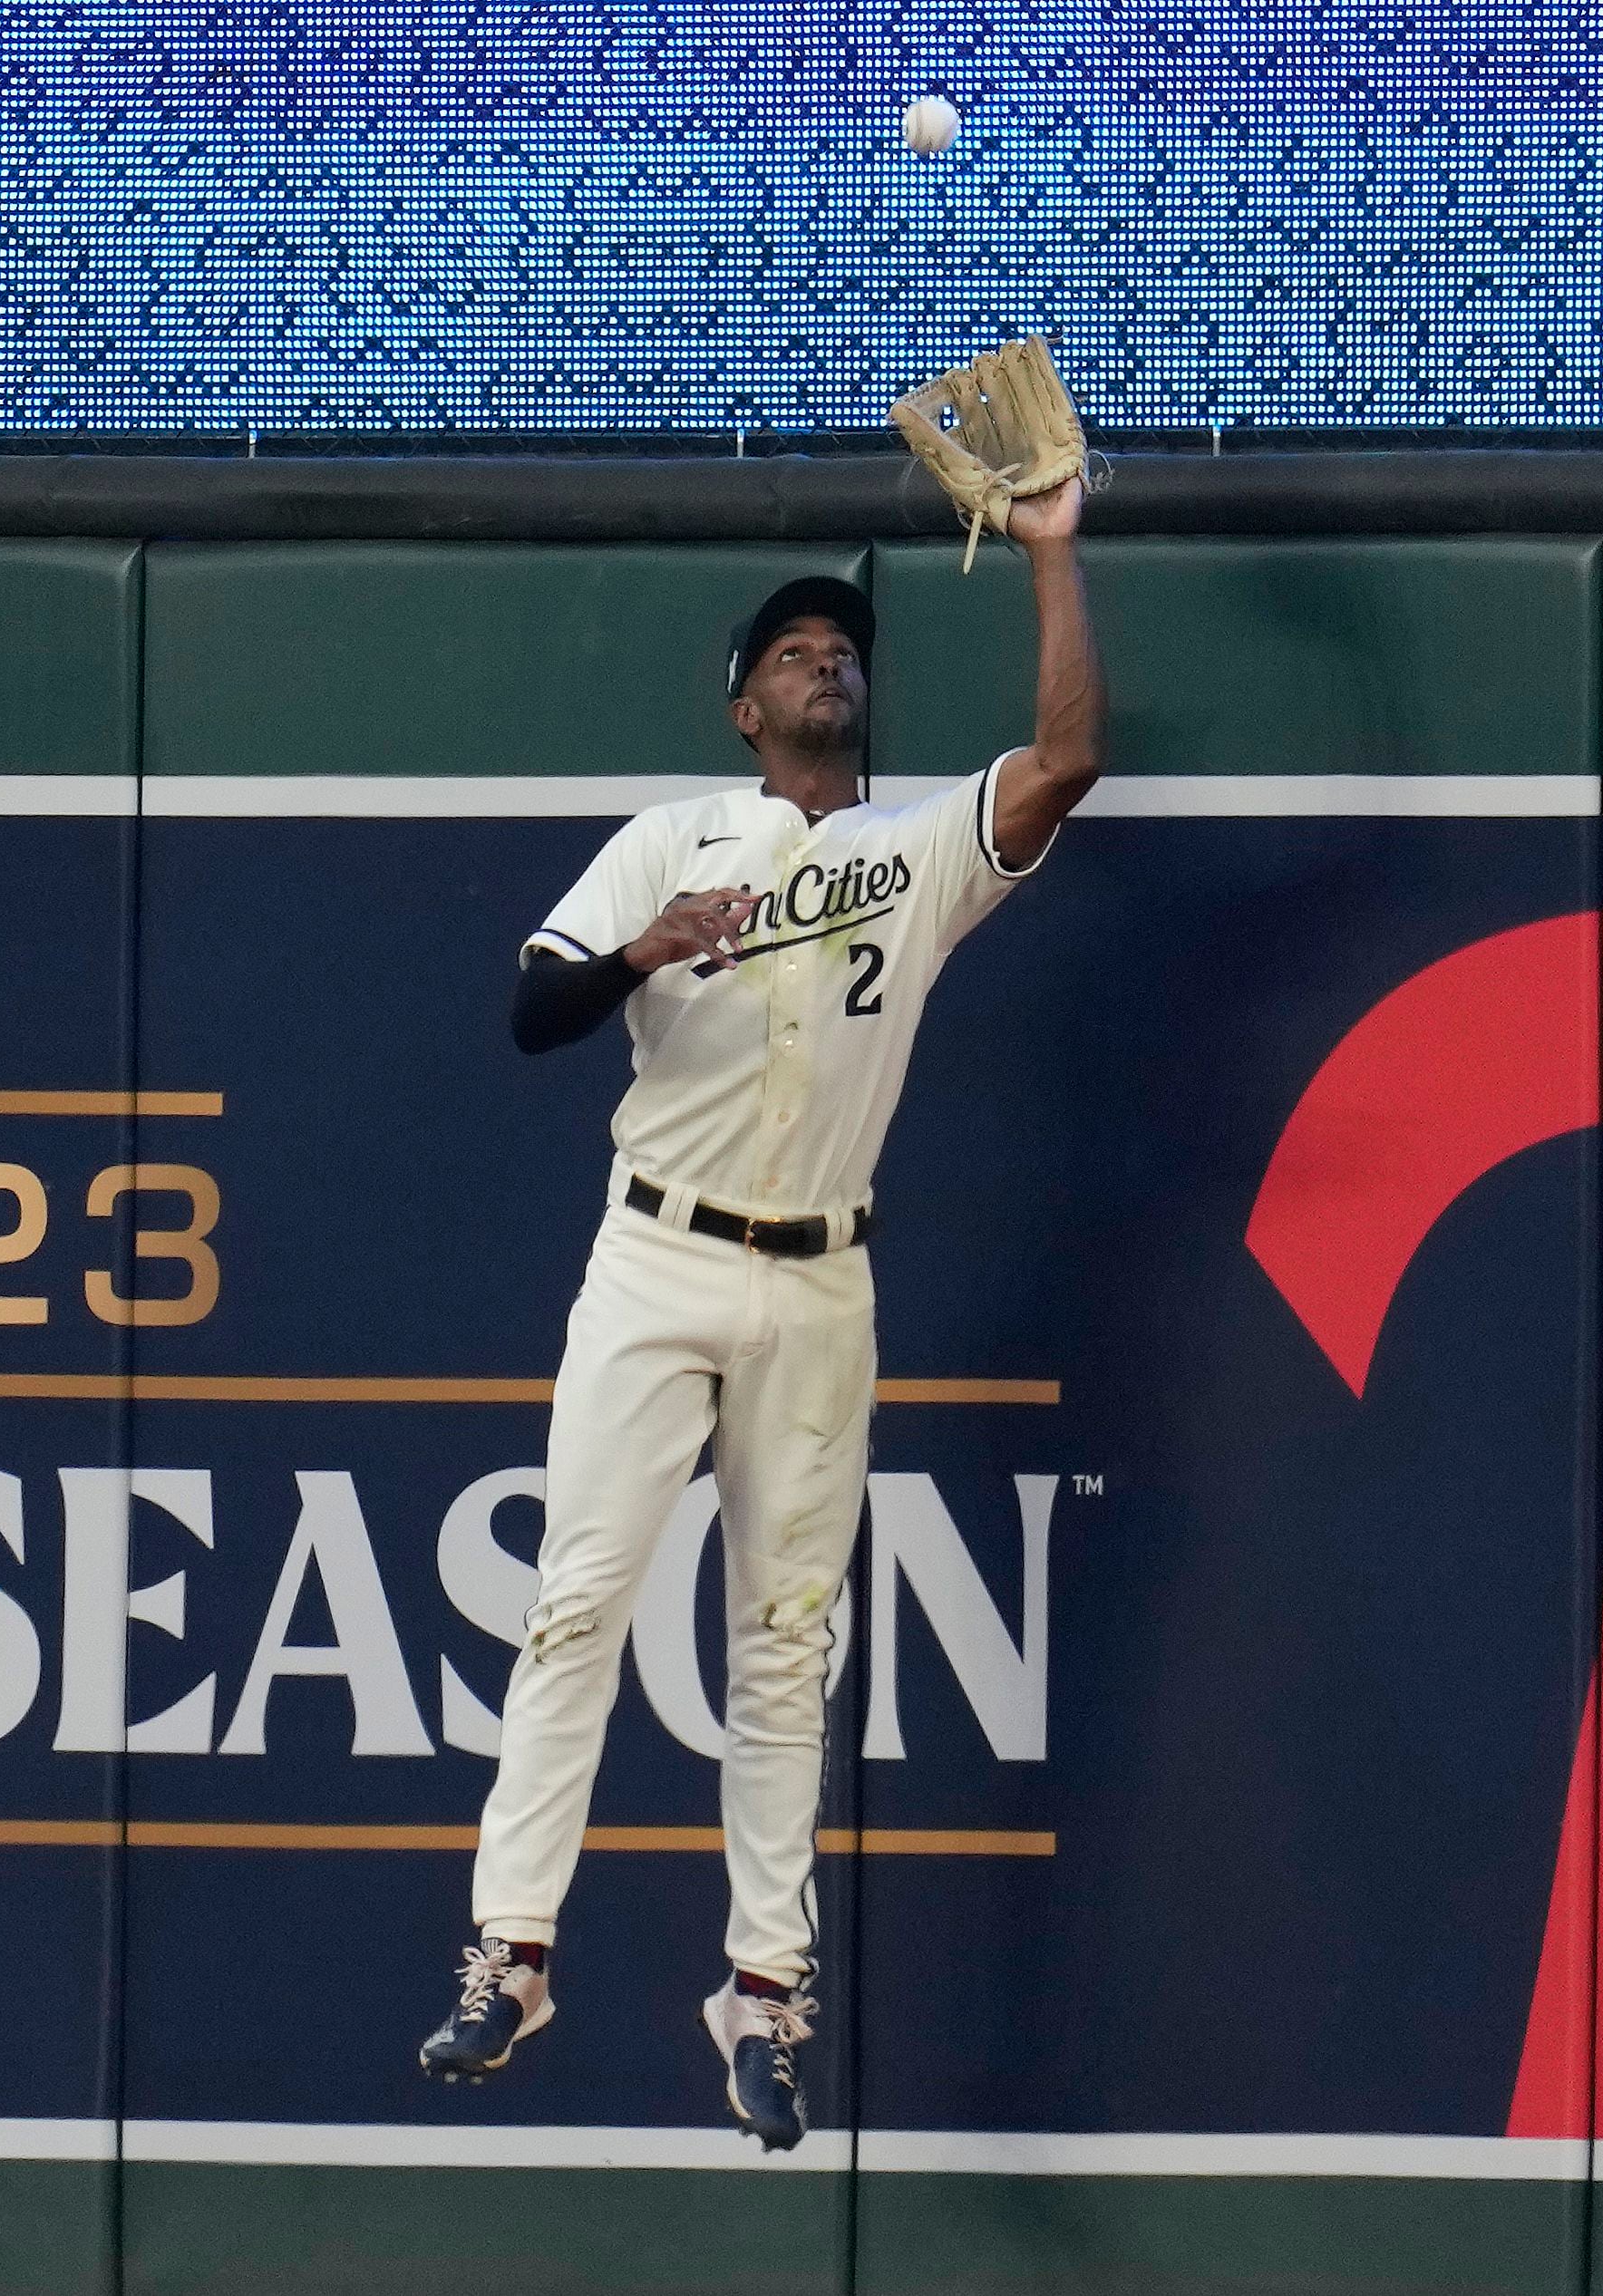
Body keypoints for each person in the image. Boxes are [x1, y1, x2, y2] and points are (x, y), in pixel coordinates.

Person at [418, 481, 1103, 2148]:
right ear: (745, 705)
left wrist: (1049, 547)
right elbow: (529, 1010)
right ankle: (509, 1954)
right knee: (576, 1598)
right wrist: (644, 947)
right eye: (792, 650)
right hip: (654, 1258)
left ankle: (765, 1993)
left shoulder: (914, 853)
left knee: (788, 1647)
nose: (824, 663)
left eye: (843, 650)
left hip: (819, 1275)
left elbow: (1069, 762)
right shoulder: (673, 838)